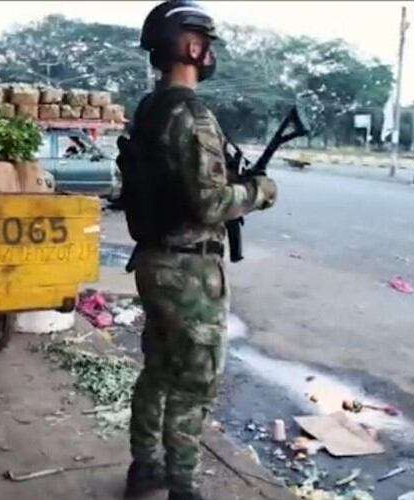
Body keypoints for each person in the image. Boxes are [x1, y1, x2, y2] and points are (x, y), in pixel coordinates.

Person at [117, 2, 278, 499]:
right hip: (188, 269)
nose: (209, 53)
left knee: (159, 371)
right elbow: (209, 202)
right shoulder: (191, 114)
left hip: (152, 260)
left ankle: (144, 468)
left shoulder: (150, 109)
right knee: (195, 382)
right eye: (205, 43)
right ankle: (182, 486)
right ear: (190, 46)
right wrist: (260, 192)